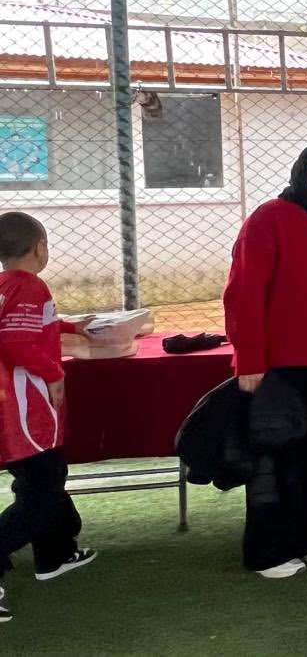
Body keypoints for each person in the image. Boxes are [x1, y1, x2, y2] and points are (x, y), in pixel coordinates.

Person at [223, 143, 307, 578]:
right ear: (303, 170)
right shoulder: (269, 217)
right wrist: (249, 359)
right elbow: (243, 292)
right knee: (275, 455)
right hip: (278, 363)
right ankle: (265, 550)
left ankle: (302, 534)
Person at [0, 213, 95, 622]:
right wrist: (54, 373)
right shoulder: (29, 284)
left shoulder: (7, 285)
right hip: (27, 410)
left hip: (17, 409)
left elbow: (31, 326)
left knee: (47, 479)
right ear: (39, 247)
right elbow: (16, 343)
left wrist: (73, 326)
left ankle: (54, 554)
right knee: (39, 493)